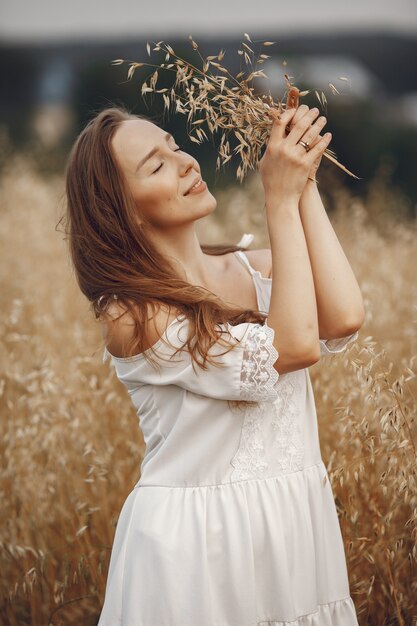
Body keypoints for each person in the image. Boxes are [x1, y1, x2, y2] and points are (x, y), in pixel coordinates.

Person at [64, 101, 364, 625]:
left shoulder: (259, 266)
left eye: (175, 146)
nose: (185, 163)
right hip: (196, 551)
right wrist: (278, 195)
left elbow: (343, 316)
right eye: (156, 166)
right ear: (123, 209)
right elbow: (291, 349)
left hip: (292, 530)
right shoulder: (135, 315)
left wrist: (305, 178)